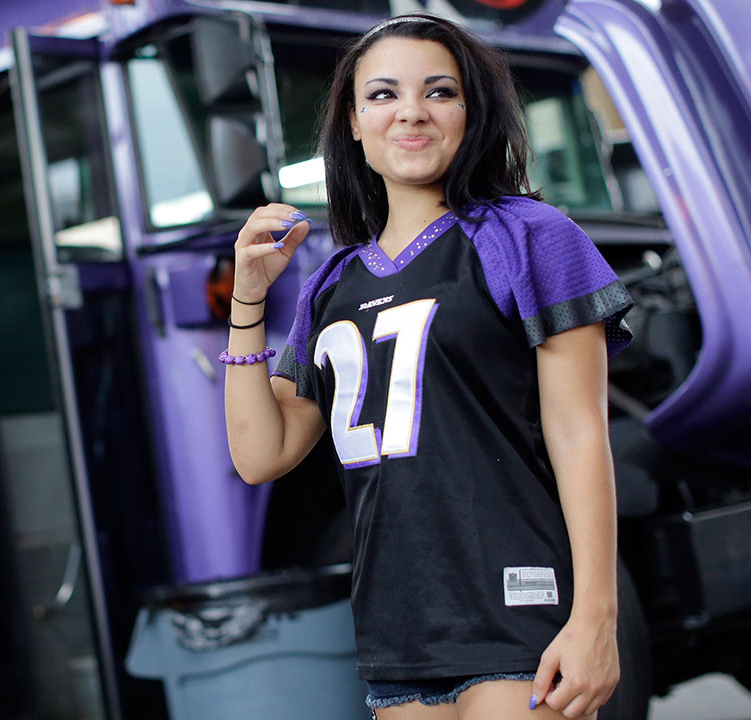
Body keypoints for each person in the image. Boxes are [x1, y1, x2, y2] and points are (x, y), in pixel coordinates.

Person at [220, 13, 633, 720]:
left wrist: (596, 619)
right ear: (353, 122)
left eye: (439, 91)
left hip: (522, 622)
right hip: (399, 642)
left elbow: (579, 435)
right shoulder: (330, 285)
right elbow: (262, 454)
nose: (411, 110)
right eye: (382, 94)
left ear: (471, 113)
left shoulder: (530, 236)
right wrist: (249, 296)